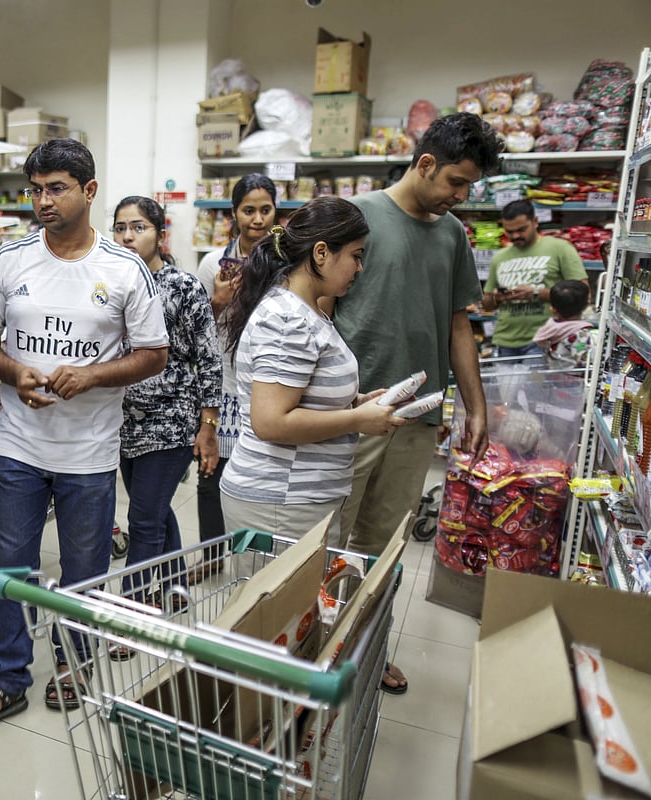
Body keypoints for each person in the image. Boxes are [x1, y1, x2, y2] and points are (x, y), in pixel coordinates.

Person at [0, 139, 168, 735]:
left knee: (83, 570)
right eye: (36, 190)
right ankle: (6, 680)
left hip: (89, 451)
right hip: (18, 444)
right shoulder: (9, 261)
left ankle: (74, 663)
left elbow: (154, 354)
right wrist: (13, 371)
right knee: (9, 567)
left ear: (89, 191)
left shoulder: (125, 270)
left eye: (57, 188)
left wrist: (93, 375)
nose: (43, 201)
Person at [325, 112, 504, 694]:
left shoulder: (452, 236)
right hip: (351, 412)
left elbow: (458, 325)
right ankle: (314, 648)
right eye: (456, 181)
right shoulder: (358, 216)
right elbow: (317, 309)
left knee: (383, 545)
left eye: (470, 185)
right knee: (327, 537)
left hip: (418, 416)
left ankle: (364, 648)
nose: (462, 196)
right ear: (425, 163)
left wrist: (473, 406)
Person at [220, 197, 400, 545]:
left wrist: (355, 403)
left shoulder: (306, 310)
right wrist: (357, 420)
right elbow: (271, 422)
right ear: (321, 253)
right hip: (279, 501)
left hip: (296, 499)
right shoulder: (288, 319)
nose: (359, 268)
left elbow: (301, 393)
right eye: (356, 255)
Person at [112, 196, 221, 602]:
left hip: (171, 421)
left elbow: (209, 359)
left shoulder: (183, 286)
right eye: (120, 228)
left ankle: (131, 609)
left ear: (160, 234)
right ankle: (176, 586)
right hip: (122, 421)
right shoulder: (112, 283)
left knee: (142, 519)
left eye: (138, 227)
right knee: (154, 509)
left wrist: (207, 427)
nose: (127, 236)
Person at [194, 174, 279, 575]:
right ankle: (212, 558)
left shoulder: (285, 263)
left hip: (266, 386)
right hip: (223, 385)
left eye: (265, 210)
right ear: (234, 214)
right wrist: (218, 299)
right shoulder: (213, 264)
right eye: (249, 210)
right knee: (210, 475)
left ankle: (259, 559)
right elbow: (195, 328)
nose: (258, 219)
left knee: (260, 477)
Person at [481, 199, 588, 357]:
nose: (515, 236)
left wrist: (536, 293)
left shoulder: (560, 248)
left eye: (521, 229)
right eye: (509, 231)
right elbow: (486, 304)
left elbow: (582, 293)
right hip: (504, 340)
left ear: (535, 222)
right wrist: (497, 298)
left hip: (545, 339)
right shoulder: (499, 257)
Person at [533, 279, 598, 368]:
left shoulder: (550, 327)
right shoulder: (580, 333)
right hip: (572, 375)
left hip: (554, 373)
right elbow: (583, 362)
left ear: (553, 309)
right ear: (587, 304)